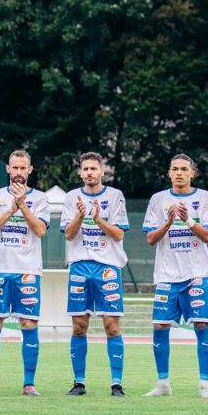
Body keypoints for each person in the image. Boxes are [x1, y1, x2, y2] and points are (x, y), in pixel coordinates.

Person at [0, 150, 50, 397]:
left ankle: (29, 384)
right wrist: (10, 210)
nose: (18, 172)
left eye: (22, 168)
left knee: (29, 323)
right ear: (8, 169)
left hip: (27, 271)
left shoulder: (41, 199)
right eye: (14, 168)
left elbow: (40, 230)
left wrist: (23, 206)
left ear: (30, 170)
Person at [143, 155, 208, 398]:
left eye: (184, 169)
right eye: (174, 168)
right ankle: (163, 383)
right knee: (159, 325)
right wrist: (168, 223)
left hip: (196, 273)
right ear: (169, 173)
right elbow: (150, 239)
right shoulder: (158, 199)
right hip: (167, 275)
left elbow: (207, 236)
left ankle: (204, 385)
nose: (179, 173)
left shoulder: (204, 197)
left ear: (192, 173)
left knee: (202, 324)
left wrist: (187, 219)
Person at [61, 152, 130, 397]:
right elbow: (68, 235)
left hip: (108, 267)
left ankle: (116, 383)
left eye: (94, 168)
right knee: (79, 325)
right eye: (85, 169)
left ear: (102, 172)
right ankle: (79, 383)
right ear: (80, 172)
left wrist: (97, 218)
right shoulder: (71, 197)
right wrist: (80, 215)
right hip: (80, 265)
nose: (89, 172)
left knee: (111, 326)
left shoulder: (115, 196)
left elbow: (119, 234)